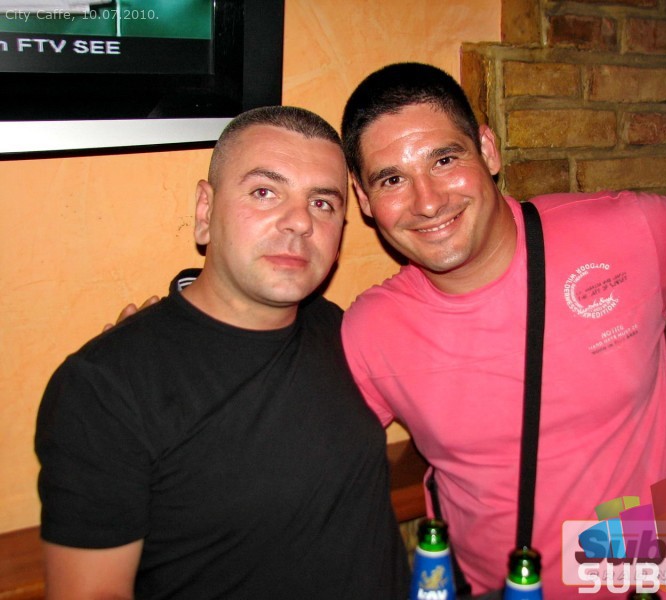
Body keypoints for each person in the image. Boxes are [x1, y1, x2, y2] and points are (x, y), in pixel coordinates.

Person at [339, 63, 666, 598]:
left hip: (657, 576)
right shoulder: (372, 330)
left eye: (445, 159)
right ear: (364, 200)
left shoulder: (628, 231)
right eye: (392, 179)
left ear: (488, 150)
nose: (427, 201)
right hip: (498, 587)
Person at [35, 106, 410, 600]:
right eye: (264, 192)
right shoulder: (105, 386)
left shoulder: (345, 331)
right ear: (205, 210)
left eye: (322, 203)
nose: (299, 222)